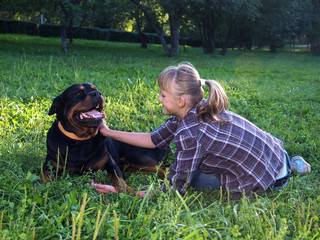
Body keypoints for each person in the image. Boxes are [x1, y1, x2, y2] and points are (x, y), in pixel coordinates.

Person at [91, 62, 311, 199]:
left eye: (163, 94)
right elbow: (154, 139)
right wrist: (108, 132)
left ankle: (288, 172)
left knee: (193, 178)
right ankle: (293, 164)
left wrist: (126, 193)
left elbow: (175, 188)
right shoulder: (196, 108)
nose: (159, 98)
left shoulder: (191, 134)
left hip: (266, 177)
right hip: (275, 153)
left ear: (181, 101)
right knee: (187, 166)